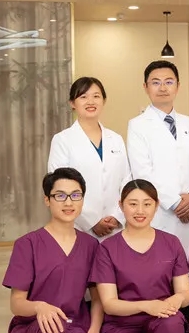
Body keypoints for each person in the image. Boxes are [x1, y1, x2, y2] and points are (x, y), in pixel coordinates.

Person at [3, 168, 115, 333]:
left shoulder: (90, 245)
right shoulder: (27, 244)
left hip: (75, 331)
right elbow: (16, 303)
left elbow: (97, 298)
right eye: (60, 195)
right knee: (53, 322)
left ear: (82, 199)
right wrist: (40, 307)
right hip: (33, 331)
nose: (68, 202)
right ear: (47, 200)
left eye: (75, 195)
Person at [127, 60, 189, 333]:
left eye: (168, 81)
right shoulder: (137, 125)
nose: (162, 87)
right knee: (161, 278)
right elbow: (142, 171)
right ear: (145, 87)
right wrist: (174, 202)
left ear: (178, 86)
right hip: (161, 213)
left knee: (188, 278)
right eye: (155, 82)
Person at [91, 180, 189, 333]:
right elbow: (109, 304)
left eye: (147, 204)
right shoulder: (108, 248)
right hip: (122, 325)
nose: (140, 211)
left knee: (174, 321)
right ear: (121, 205)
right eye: (133, 204)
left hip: (160, 320)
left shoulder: (171, 243)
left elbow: (186, 293)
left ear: (156, 206)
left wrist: (176, 299)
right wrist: (147, 305)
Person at [48, 77, 131, 240]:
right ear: (72, 103)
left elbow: (127, 179)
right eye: (83, 97)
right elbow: (59, 186)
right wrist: (91, 222)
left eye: (96, 96)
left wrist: (118, 216)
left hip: (114, 226)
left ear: (104, 100)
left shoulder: (116, 139)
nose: (90, 101)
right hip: (78, 226)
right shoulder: (62, 140)